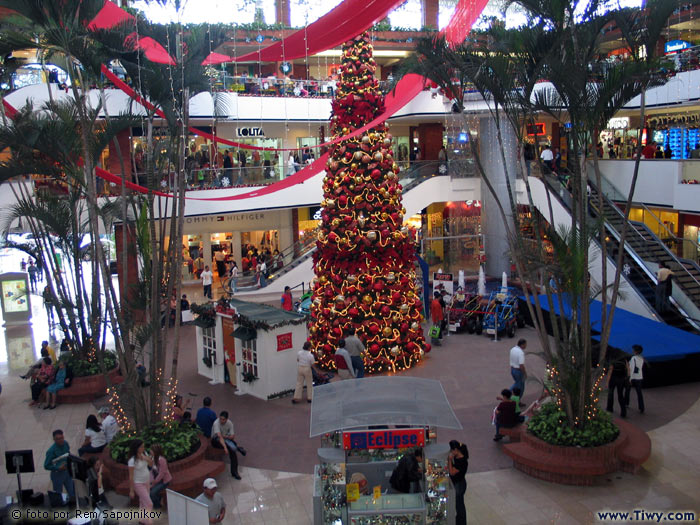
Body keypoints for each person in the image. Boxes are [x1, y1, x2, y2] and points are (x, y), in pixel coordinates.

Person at [211, 411, 246, 480]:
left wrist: (226, 437)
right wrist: (225, 447)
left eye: (223, 419)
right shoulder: (216, 423)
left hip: (226, 439)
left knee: (232, 450)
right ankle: (238, 448)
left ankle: (234, 472)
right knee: (230, 446)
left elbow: (232, 436)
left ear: (227, 419)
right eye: (220, 419)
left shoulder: (230, 423)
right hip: (216, 440)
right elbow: (220, 437)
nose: (221, 420)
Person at [44, 429, 75, 503]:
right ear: (54, 439)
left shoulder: (66, 444)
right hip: (57, 474)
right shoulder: (51, 451)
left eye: (62, 438)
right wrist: (57, 467)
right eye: (58, 439)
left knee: (71, 491)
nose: (61, 440)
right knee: (58, 494)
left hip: (67, 472)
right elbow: (46, 465)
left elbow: (68, 453)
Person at [128, 439, 153, 524]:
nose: (143, 448)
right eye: (141, 446)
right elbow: (131, 476)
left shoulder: (144, 453)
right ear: (136, 448)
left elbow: (151, 464)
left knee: (143, 502)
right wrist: (131, 490)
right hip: (138, 483)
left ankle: (142, 520)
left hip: (146, 480)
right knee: (149, 503)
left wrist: (145, 458)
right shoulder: (132, 461)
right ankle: (148, 521)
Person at [447, 440, 469, 525]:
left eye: (452, 450)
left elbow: (452, 472)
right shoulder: (457, 457)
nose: (451, 452)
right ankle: (459, 521)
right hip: (458, 483)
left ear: (456, 450)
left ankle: (462, 522)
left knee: (459, 505)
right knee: (459, 504)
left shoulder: (462, 461)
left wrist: (449, 460)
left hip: (459, 485)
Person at [149, 444, 172, 510]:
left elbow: (162, 473)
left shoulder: (162, 460)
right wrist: (151, 481)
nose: (150, 451)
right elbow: (151, 470)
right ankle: (159, 499)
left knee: (152, 493)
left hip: (164, 480)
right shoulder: (152, 458)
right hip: (156, 479)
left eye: (151, 450)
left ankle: (157, 506)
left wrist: (154, 482)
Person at [625, 345, 645, 414]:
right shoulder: (641, 358)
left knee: (627, 390)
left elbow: (632, 368)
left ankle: (626, 403)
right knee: (639, 393)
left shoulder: (633, 358)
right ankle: (641, 407)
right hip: (639, 377)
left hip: (633, 377)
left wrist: (629, 378)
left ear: (635, 351)